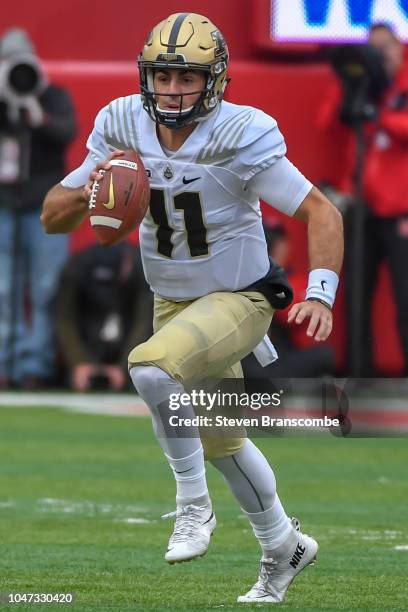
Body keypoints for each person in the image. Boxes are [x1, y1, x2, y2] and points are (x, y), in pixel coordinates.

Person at [41, 13, 343, 604]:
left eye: (187, 78)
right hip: (172, 300)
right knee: (222, 442)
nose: (172, 89)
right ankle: (283, 546)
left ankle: (191, 507)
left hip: (240, 297)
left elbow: (321, 212)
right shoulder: (122, 122)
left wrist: (321, 294)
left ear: (216, 79)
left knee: (152, 368)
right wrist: (90, 189)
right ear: (145, 77)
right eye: (162, 76)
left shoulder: (242, 132)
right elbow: (55, 214)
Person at [319, 22, 408, 376]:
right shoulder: (360, 88)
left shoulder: (401, 88)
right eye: (373, 49)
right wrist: (351, 85)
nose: (380, 56)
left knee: (405, 299)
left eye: (386, 48)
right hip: (361, 211)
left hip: (401, 213)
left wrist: (381, 115)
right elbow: (327, 121)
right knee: (355, 297)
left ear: (400, 50)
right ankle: (360, 373)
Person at [0, 28, 76, 388]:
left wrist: (36, 115)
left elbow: (68, 132)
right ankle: (4, 363)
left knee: (45, 287)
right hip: (3, 205)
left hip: (46, 209)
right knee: (2, 286)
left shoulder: (52, 97)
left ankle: (35, 366)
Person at [56, 242, 153, 391]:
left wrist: (125, 366)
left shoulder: (144, 269)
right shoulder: (77, 267)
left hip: (130, 347)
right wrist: (80, 362)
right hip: (90, 342)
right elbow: (65, 319)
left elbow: (144, 322)